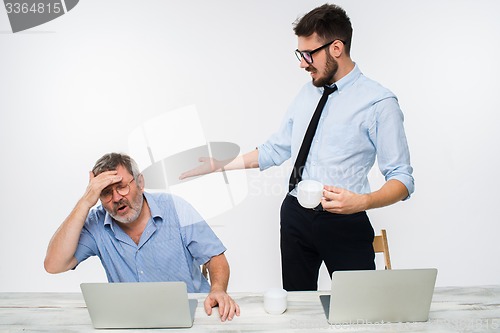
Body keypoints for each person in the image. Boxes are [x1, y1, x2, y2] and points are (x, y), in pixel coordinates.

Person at [180, 3, 414, 291]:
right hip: (295, 216)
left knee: (358, 307)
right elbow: (276, 149)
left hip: (344, 220)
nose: (302, 63)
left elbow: (402, 179)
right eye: (300, 54)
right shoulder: (307, 92)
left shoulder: (379, 103)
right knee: (296, 306)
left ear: (336, 48)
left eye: (308, 54)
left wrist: (362, 202)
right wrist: (221, 165)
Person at [44, 153, 240, 321]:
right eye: (105, 193)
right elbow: (54, 265)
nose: (116, 198)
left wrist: (218, 289)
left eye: (122, 186)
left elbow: (215, 258)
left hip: (194, 316)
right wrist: (85, 201)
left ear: (140, 182)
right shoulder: (96, 223)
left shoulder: (176, 208)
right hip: (133, 321)